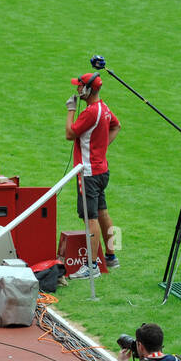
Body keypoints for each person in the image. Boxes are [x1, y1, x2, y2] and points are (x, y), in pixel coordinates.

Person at [65, 71, 121, 277]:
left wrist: (71, 110)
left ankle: (92, 265)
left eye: (80, 86)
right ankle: (111, 257)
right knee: (103, 212)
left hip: (87, 173)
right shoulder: (104, 109)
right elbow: (117, 126)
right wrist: (102, 147)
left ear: (88, 89)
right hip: (101, 170)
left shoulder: (89, 112)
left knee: (90, 218)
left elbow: (70, 134)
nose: (77, 89)